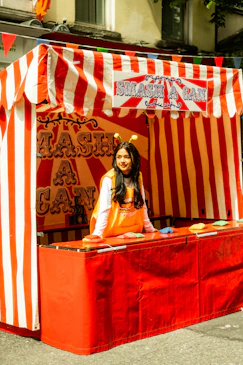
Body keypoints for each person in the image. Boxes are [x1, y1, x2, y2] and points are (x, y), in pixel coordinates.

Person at [90, 133, 156, 238]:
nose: (122, 161)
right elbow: (104, 209)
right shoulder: (109, 179)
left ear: (134, 159)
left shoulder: (138, 177)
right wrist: (97, 234)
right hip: (112, 234)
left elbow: (142, 206)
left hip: (133, 232)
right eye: (119, 157)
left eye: (126, 157)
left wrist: (150, 229)